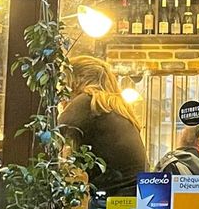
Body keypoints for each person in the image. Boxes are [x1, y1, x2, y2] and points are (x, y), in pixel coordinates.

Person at [59, 55, 148, 201]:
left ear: (77, 79)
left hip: (110, 202)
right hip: (133, 200)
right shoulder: (114, 107)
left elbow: (52, 139)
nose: (62, 91)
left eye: (64, 82)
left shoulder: (88, 101)